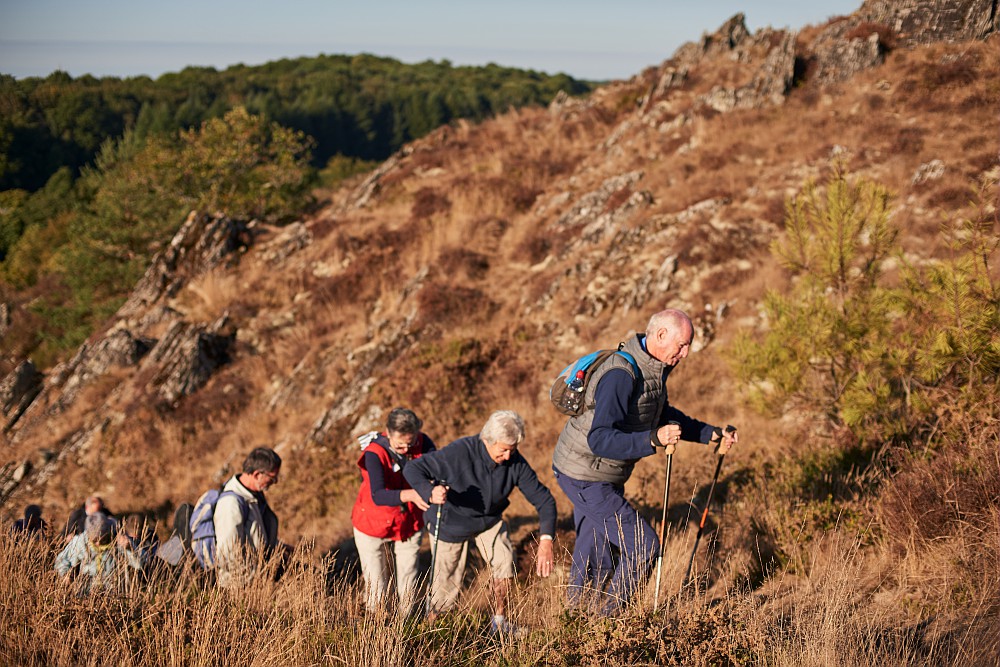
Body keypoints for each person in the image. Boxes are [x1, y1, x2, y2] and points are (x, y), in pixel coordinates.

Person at [551, 308, 739, 616]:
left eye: (689, 345)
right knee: (643, 546)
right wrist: (653, 439)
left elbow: (663, 414)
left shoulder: (651, 370)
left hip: (599, 475)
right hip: (585, 473)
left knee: (597, 551)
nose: (686, 353)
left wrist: (712, 434)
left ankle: (577, 621)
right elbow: (599, 439)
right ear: (661, 335)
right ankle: (609, 623)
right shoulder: (621, 375)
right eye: (682, 344)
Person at [404, 410, 557, 634]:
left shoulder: (514, 462)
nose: (507, 456)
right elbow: (413, 468)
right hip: (451, 523)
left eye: (512, 450)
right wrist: (429, 491)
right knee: (445, 584)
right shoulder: (459, 453)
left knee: (505, 562)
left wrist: (546, 540)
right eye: (503, 449)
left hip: (488, 521)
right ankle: (435, 632)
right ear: (487, 440)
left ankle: (499, 621)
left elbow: (544, 500)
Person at [351, 408, 438, 613]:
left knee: (408, 579)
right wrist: (412, 495)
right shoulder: (374, 453)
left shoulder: (424, 443)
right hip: (371, 523)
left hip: (409, 522)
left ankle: (405, 626)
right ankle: (377, 628)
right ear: (388, 433)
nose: (406, 448)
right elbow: (378, 494)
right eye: (400, 444)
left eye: (410, 442)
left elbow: (437, 469)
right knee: (377, 587)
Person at [214, 446, 286, 588]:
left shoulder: (253, 496)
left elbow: (255, 536)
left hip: (256, 579)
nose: (275, 482)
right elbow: (227, 555)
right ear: (257, 474)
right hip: (239, 588)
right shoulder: (230, 504)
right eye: (272, 478)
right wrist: (258, 579)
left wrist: (279, 548)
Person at [54, 513, 144, 594]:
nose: (98, 543)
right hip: (86, 593)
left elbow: (140, 563)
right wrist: (65, 574)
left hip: (113, 592)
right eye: (94, 540)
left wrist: (130, 548)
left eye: (102, 538)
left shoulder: (119, 539)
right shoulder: (80, 541)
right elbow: (61, 560)